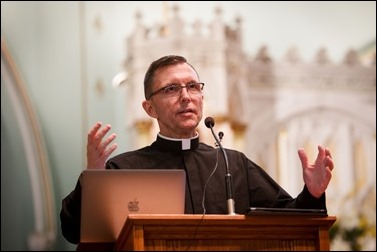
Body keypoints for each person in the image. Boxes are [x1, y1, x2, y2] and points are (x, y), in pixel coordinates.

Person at [60, 55, 334, 244]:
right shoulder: (124, 169)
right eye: (171, 89)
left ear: (202, 97)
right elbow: (74, 232)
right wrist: (93, 177)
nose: (185, 96)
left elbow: (288, 221)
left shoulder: (234, 164)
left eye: (193, 86)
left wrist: (312, 193)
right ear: (149, 108)